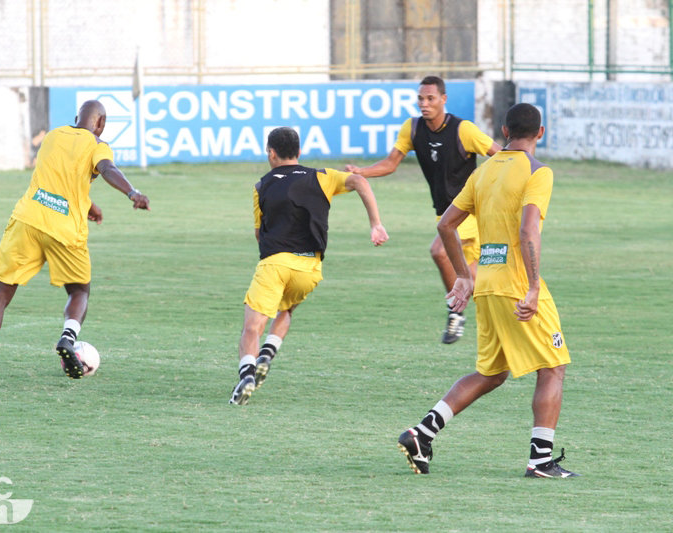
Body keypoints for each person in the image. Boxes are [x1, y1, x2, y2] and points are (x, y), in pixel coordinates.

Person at [396, 103, 578, 478]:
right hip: (515, 285)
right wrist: (531, 287)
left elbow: (447, 226)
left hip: (487, 284)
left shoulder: (483, 173)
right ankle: (540, 461)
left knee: (492, 373)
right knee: (554, 367)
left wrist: (464, 276)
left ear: (504, 131)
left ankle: (422, 433)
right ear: (540, 134)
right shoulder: (538, 171)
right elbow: (529, 231)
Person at [0, 100, 150, 386]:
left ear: (76, 118)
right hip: (65, 228)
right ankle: (68, 337)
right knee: (79, 290)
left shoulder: (53, 136)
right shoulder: (98, 145)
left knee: (0, 294)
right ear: (101, 123)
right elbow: (107, 169)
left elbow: (60, 176)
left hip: (28, 220)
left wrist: (88, 202)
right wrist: (133, 193)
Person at [229, 126, 389, 405]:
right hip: (309, 269)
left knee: (252, 327)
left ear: (271, 153)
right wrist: (375, 224)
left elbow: (259, 233)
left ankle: (247, 375)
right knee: (286, 308)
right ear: (299, 152)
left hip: (275, 263)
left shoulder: (261, 186)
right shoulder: (322, 176)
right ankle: (268, 353)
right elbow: (361, 182)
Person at [346, 76, 501, 344]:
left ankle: (455, 313)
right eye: (420, 98)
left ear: (443, 100)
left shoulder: (464, 130)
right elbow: (391, 163)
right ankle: (507, 316)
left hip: (470, 212)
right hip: (445, 213)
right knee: (475, 278)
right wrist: (362, 172)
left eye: (430, 98)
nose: (424, 104)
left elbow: (501, 156)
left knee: (439, 251)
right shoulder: (413, 128)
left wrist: (490, 187)